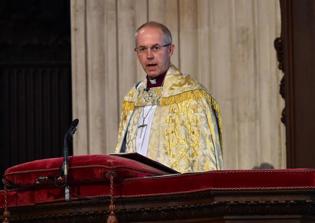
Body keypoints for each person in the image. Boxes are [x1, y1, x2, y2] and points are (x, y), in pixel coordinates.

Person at [115, 21, 223, 172]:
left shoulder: (191, 96)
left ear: (171, 50)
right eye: (142, 49)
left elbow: (205, 159)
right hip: (137, 189)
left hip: (175, 190)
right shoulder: (132, 98)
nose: (149, 56)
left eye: (156, 48)